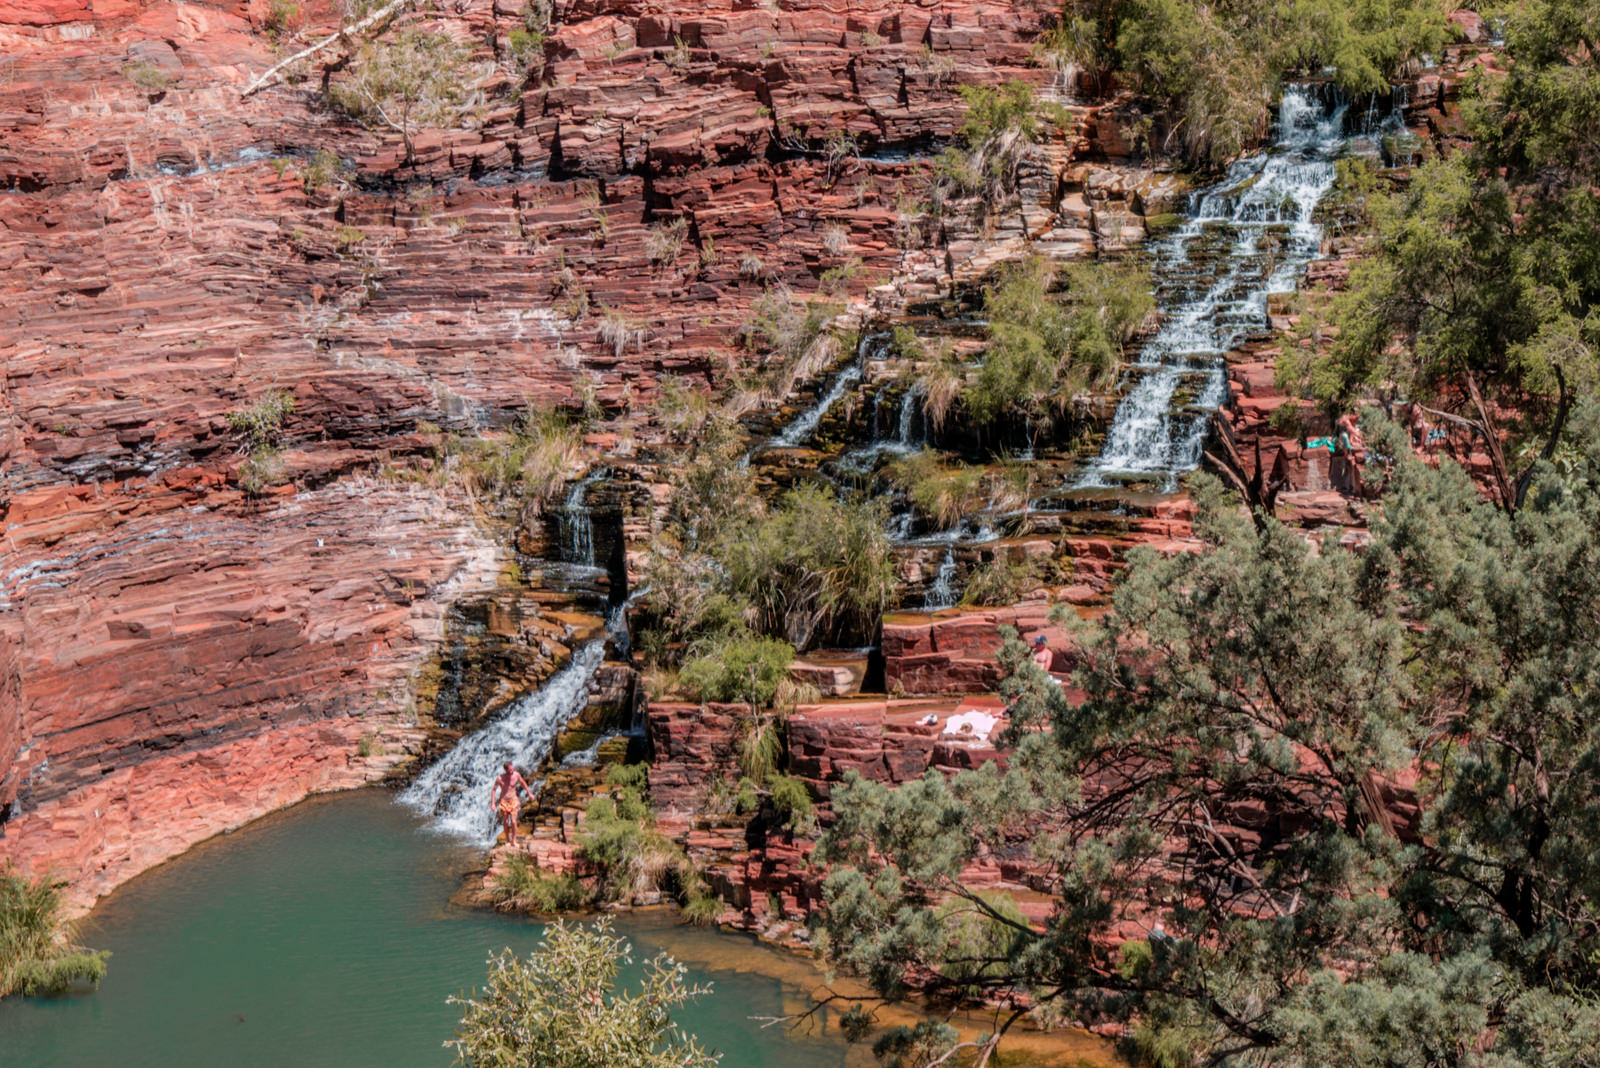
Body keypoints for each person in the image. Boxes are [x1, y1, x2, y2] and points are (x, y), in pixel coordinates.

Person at [490, 761, 535, 849]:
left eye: (512, 769)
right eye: (510, 770)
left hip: (513, 800)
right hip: (503, 801)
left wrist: (529, 793)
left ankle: (514, 841)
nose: (512, 771)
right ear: (505, 770)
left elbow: (523, 783)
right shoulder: (500, 778)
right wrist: (493, 803)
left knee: (514, 822)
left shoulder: (516, 775)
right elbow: (493, 790)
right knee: (506, 822)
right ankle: (507, 840)